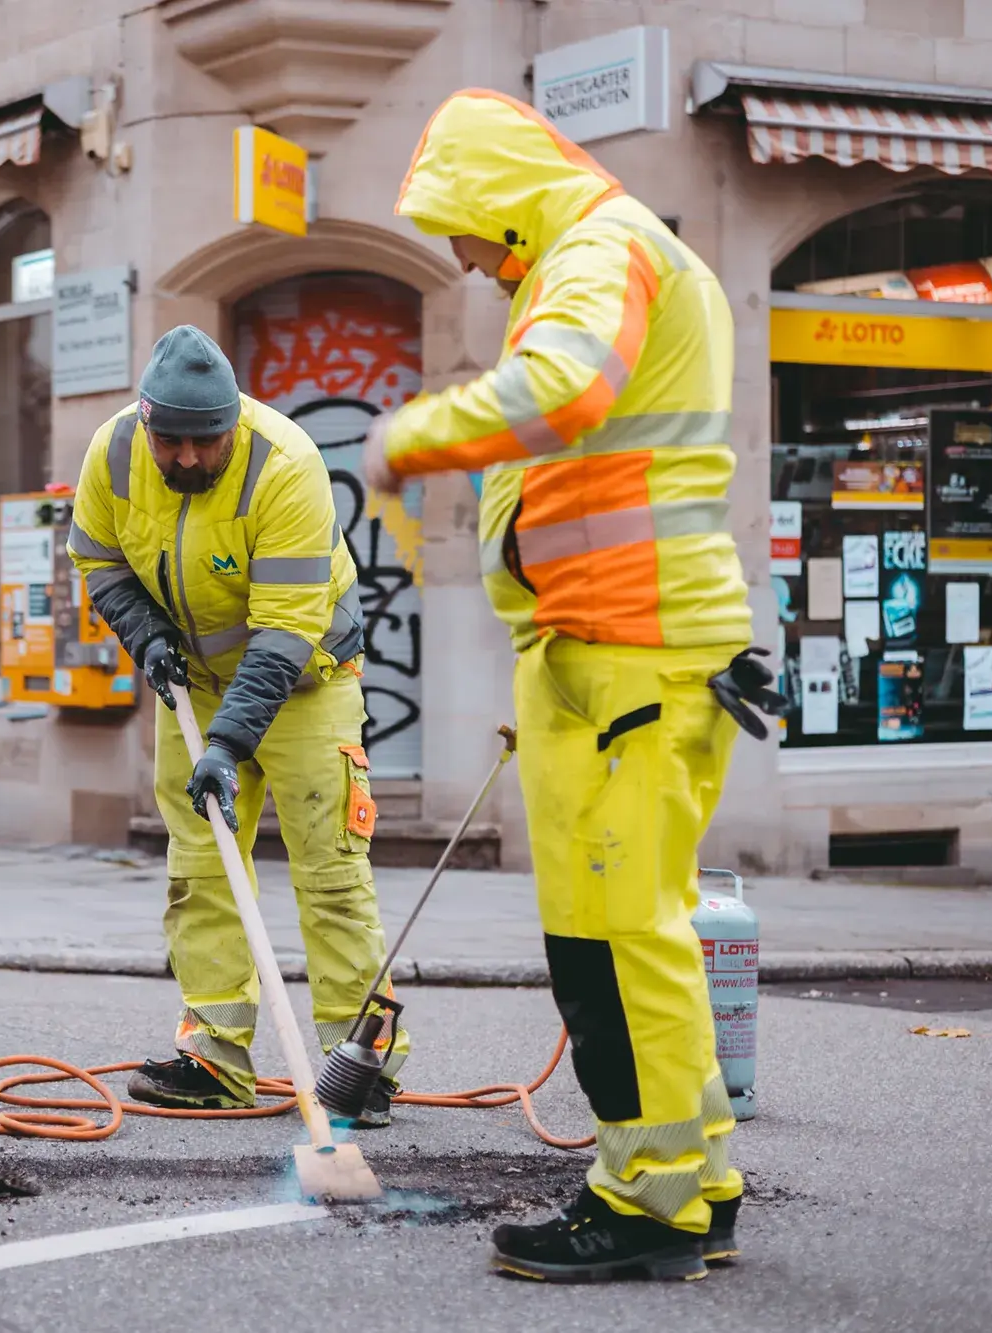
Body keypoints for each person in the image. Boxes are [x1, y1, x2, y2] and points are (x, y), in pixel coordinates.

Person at [362, 90, 783, 1283]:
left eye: (466, 236)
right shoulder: (629, 251)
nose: (469, 265)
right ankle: (694, 1179)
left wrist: (410, 436)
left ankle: (640, 1204)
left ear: (501, 203)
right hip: (617, 652)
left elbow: (563, 392)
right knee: (634, 934)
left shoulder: (594, 250)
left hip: (625, 653)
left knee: (611, 944)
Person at [68, 325, 411, 1124]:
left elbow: (287, 627)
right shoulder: (113, 453)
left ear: (233, 423)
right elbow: (98, 558)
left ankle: (363, 1061)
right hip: (193, 683)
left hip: (303, 681)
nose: (188, 458)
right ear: (147, 423)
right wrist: (147, 636)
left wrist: (227, 744)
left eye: (206, 440)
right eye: (173, 441)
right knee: (201, 869)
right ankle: (214, 1053)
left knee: (330, 874)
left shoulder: (285, 464)